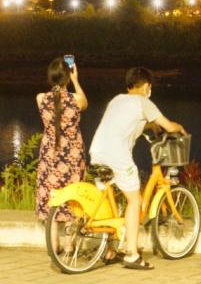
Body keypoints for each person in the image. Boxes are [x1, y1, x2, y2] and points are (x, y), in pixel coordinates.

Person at [88, 67, 186, 271]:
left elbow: (129, 124)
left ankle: (109, 249)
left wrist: (150, 127)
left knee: (111, 196)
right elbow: (168, 126)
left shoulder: (116, 100)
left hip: (97, 151)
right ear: (147, 86)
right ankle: (132, 254)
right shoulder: (144, 102)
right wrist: (179, 128)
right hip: (117, 156)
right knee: (135, 200)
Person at [35, 57, 88, 254]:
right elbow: (85, 102)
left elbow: (52, 100)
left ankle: (53, 244)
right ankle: (68, 245)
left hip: (50, 153)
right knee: (72, 195)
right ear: (67, 77)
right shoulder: (76, 100)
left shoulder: (41, 98)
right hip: (73, 154)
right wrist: (76, 80)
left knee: (52, 194)